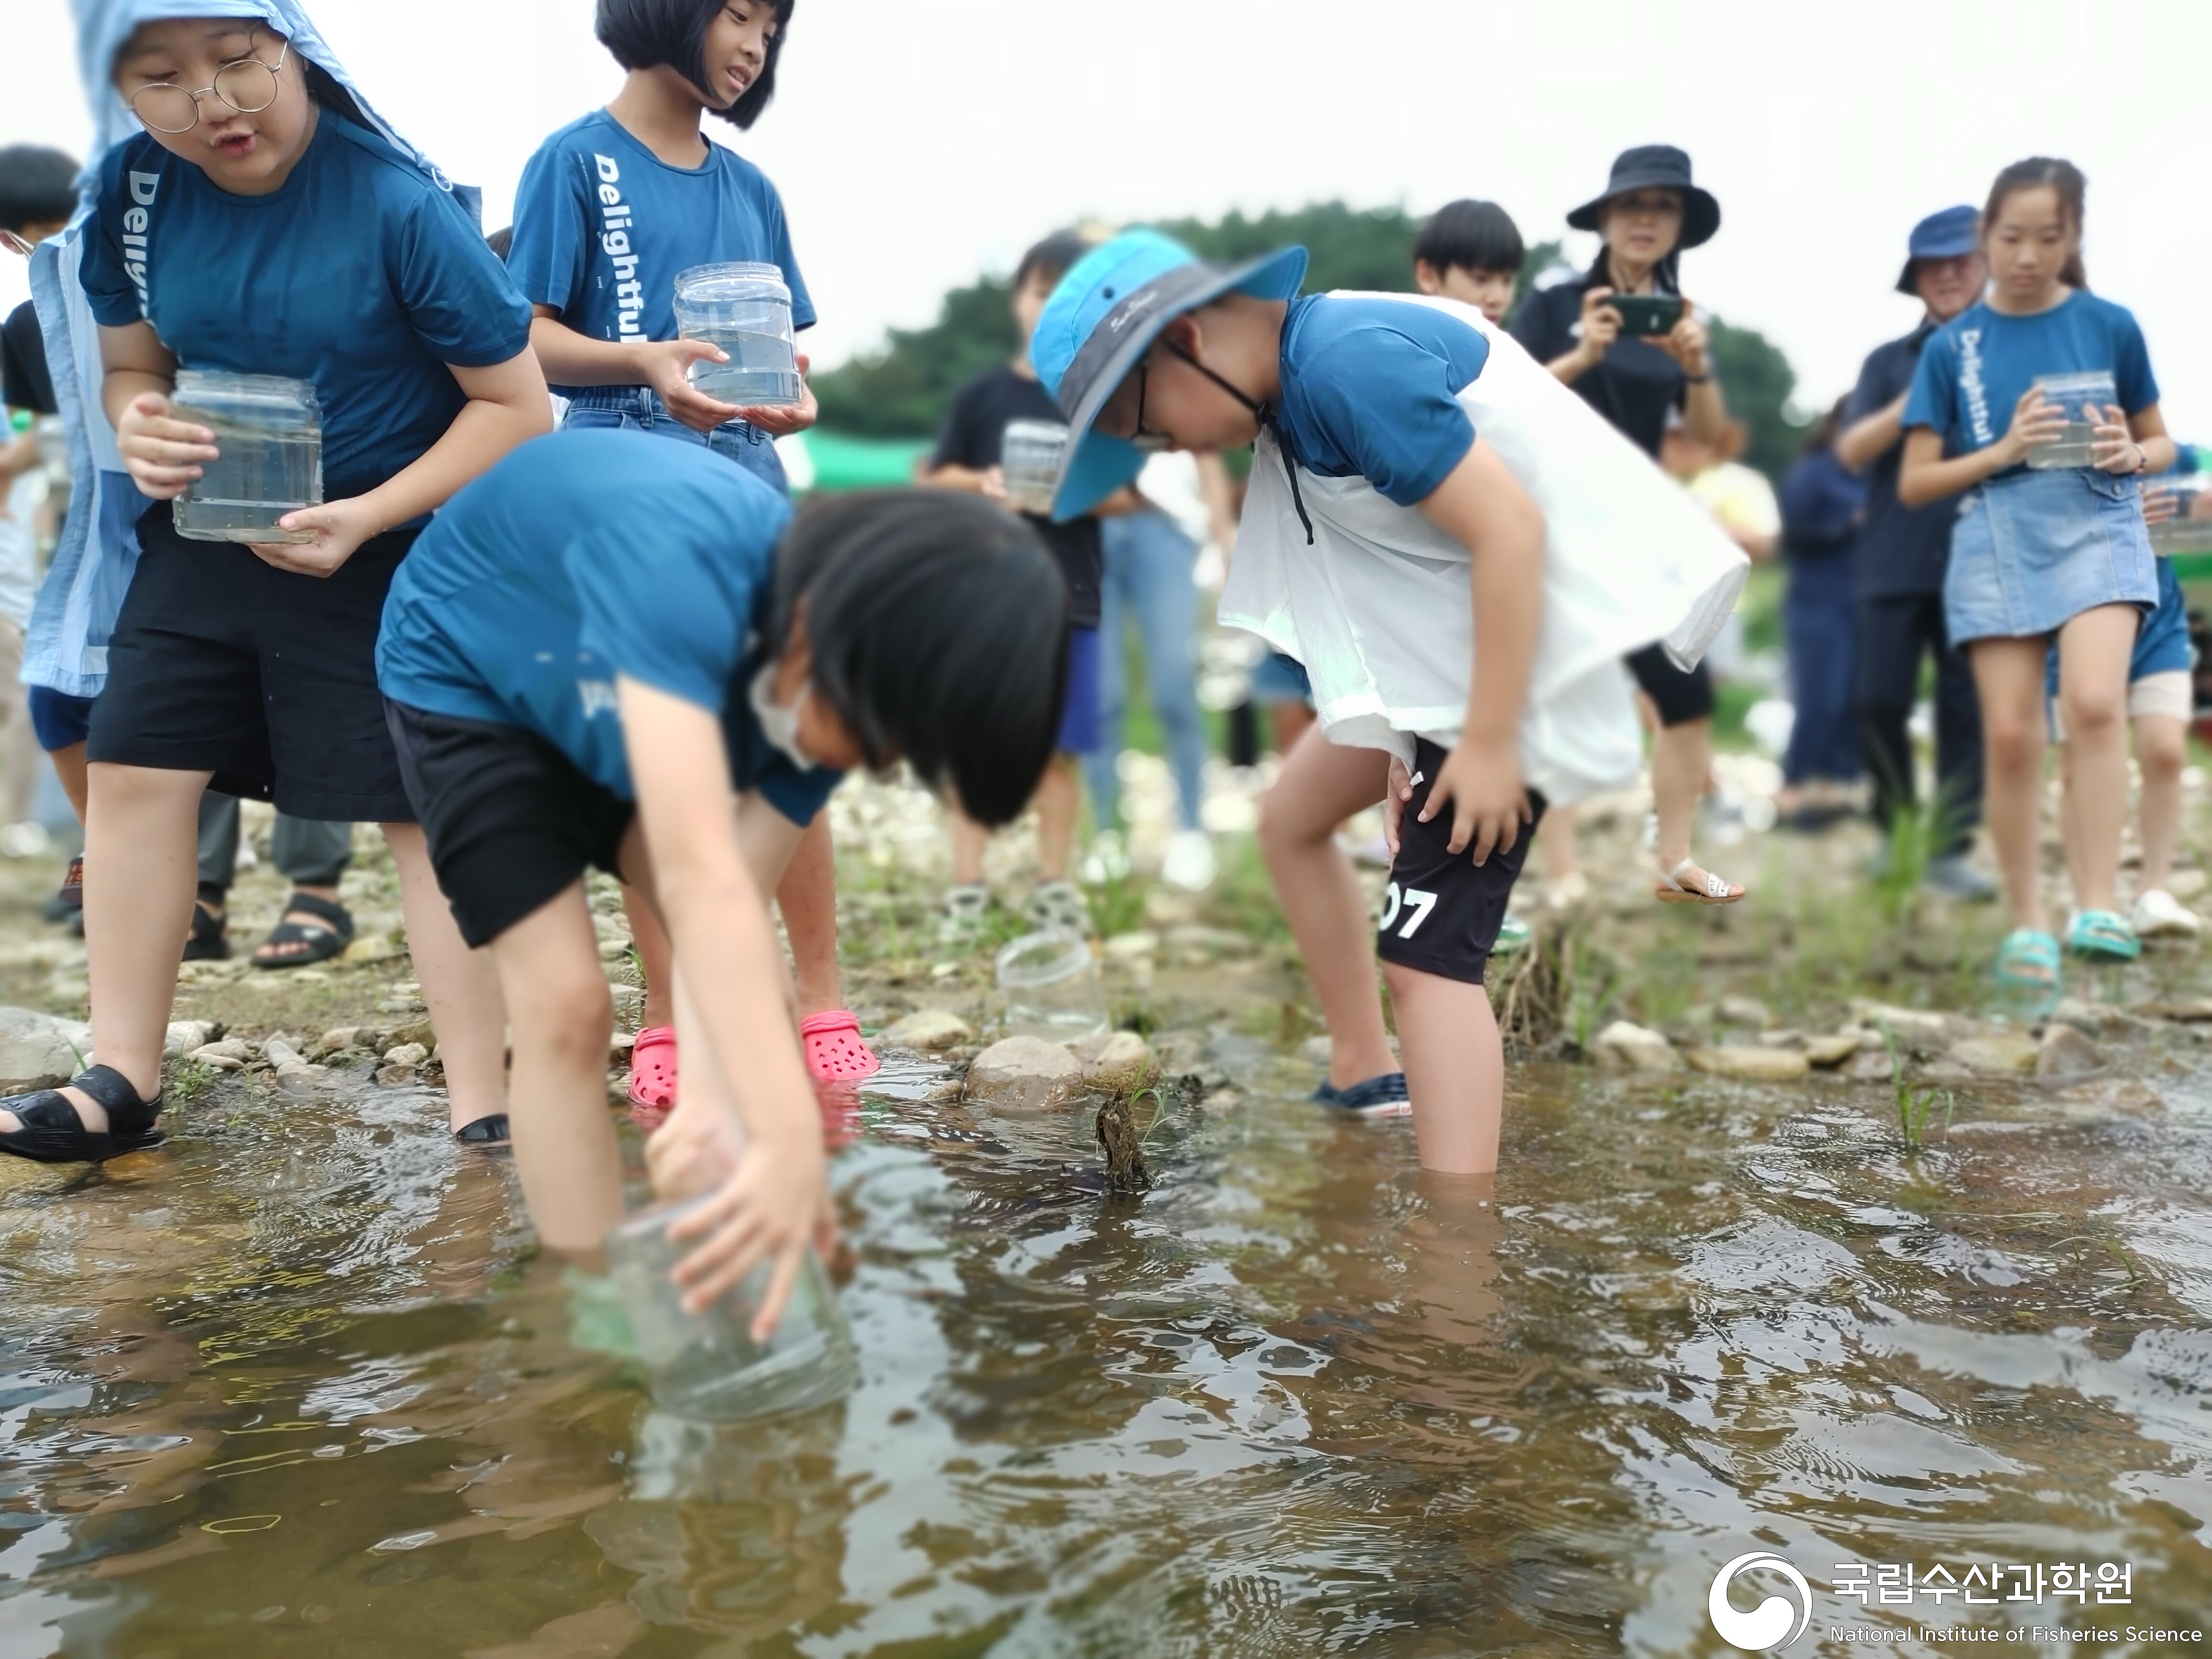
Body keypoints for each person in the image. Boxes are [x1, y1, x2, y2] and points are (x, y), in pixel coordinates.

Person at [1030, 229, 1743, 1171]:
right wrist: (1408, 738)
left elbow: (1511, 535)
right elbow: (1395, 584)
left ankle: (1456, 1269)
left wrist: (1485, 747)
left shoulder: (1343, 367)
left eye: (1150, 429)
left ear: (1189, 345)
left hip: (1521, 658)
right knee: (1292, 814)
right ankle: (1364, 1065)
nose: (1173, 448)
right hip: (1460, 660)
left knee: (1426, 961)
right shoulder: (1289, 389)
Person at [0, 4, 550, 1166]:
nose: (210, 103)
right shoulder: (136, 197)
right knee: (136, 768)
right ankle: (122, 1077)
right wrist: (135, 420)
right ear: (120, 87)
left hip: (387, 533)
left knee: (415, 810)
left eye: (237, 63)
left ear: (294, 50)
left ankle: (481, 1099)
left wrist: (364, 516)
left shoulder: (394, 204)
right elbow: (134, 364)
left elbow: (514, 407)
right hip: (212, 526)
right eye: (162, 77)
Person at [376, 430, 1066, 1327]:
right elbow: (701, 880)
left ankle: (687, 1287)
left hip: (626, 687)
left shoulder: (837, 699)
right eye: (873, 726)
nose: (858, 758)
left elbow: (727, 904)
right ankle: (584, 1304)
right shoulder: (686, 568)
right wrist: (783, 1140)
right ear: (838, 619)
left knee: (760, 999)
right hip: (474, 670)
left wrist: (709, 1101)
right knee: (567, 1002)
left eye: (890, 754)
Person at [507, 0, 872, 1118]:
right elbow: (524, 338)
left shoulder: (749, 188)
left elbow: (780, 356)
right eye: (735, 12)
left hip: (748, 493)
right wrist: (640, 360)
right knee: (645, 757)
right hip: (615, 492)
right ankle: (668, 1008)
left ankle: (819, 995)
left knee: (788, 735)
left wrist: (794, 398)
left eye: (769, 22)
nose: (754, 40)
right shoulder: (573, 163)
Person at [1899, 157, 2172, 988]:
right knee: (2011, 739)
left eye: (2045, 237)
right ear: (1985, 238)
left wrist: (2132, 451)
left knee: (2093, 702)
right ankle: (2026, 920)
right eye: (2009, 237)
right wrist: (2003, 449)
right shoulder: (1952, 347)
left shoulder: (2110, 324)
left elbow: (2158, 440)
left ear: (2073, 237)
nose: (2025, 255)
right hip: (1993, 529)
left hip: (2097, 517)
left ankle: (2097, 901)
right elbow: (1914, 482)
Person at [1511, 144, 1746, 907]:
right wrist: (1584, 353)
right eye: (1633, 204)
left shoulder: (1683, 318)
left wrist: (1699, 364)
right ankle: (1562, 874)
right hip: (1551, 517)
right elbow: (1505, 400)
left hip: (1635, 526)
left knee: (1685, 688)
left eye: (1664, 207)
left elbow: (1708, 436)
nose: (1646, 220)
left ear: (1681, 226)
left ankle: (1672, 859)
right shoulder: (1553, 301)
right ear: (1606, 217)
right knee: (1552, 692)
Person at [922, 231, 1105, 937]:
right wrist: (988, 482)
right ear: (1018, 299)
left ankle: (1054, 882)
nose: (1051, 305)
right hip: (987, 595)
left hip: (1071, 590)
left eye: (1071, 294)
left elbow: (1124, 490)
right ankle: (967, 885)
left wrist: (1068, 491)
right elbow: (938, 479)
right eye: (1041, 290)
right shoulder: (982, 397)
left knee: (1059, 746)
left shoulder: (1098, 394)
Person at [1412, 197, 1583, 913]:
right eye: (1477, 275)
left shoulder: (1504, 356)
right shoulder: (1414, 352)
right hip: (1443, 574)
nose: (1492, 294)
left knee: (1533, 714)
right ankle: (1446, 872)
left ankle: (1560, 868)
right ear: (1429, 275)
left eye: (1504, 279)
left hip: (1509, 568)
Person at [1837, 205, 1993, 899]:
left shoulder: (2016, 351)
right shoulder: (1886, 361)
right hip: (1893, 559)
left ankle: (1948, 850)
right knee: (1877, 700)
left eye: (1964, 259)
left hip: (1986, 559)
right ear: (1917, 279)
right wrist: (1926, 391)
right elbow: (1851, 447)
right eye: (1936, 264)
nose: (1951, 274)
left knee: (1968, 711)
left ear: (1988, 265)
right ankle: (1895, 829)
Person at [2051, 464, 2202, 940]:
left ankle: (2152, 893)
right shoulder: (2056, 444)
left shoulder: (2178, 455)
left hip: (2160, 621)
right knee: (2078, 761)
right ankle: (2088, 903)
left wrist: (2192, 517)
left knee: (2165, 751)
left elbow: (2195, 534)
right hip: (2073, 618)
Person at [1, 145, 83, 917]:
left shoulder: (157, 285)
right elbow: (49, 439)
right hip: (83, 539)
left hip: (181, 533)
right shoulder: (26, 326)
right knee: (62, 704)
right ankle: (100, 860)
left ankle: (198, 888)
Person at [1086, 450, 1220, 892]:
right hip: (1090, 525)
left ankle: (1191, 832)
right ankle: (1108, 835)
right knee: (1102, 696)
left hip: (1164, 524)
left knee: (1174, 686)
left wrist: (1222, 532)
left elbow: (1208, 448)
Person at [1773, 399, 1865, 821]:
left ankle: (1834, 790)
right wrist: (1850, 524)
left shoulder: (1871, 474)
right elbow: (1793, 534)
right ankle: (1793, 788)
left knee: (1850, 698)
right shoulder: (1814, 472)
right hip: (1816, 602)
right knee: (1819, 697)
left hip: (1859, 602)